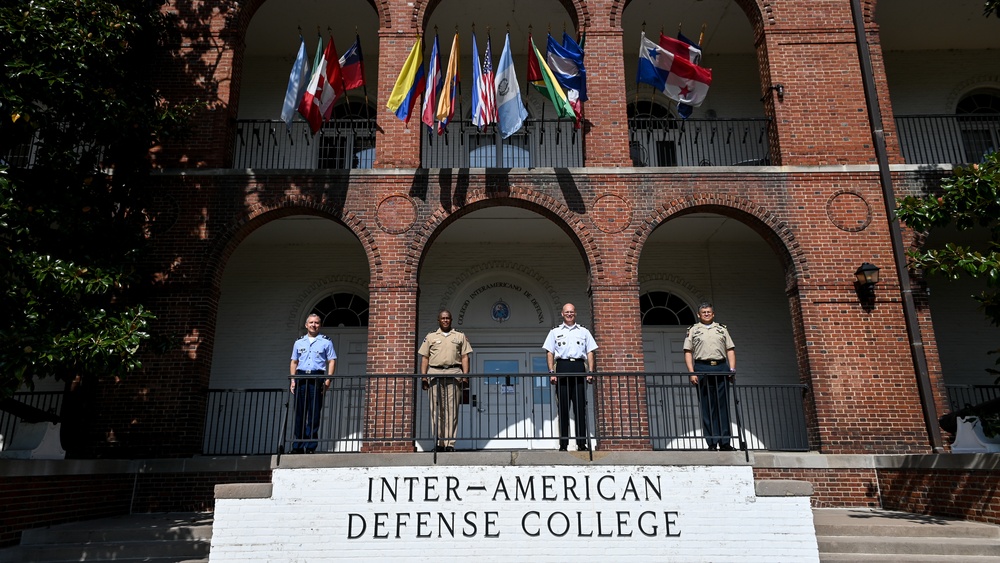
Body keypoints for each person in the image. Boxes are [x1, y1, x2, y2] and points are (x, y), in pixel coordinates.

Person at [543, 303, 598, 451]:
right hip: (562, 367)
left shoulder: (584, 332)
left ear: (575, 313)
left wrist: (590, 372)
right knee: (563, 409)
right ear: (562, 314)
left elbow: (590, 352)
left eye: (571, 312)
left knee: (580, 408)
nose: (569, 314)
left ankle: (581, 443)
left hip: (579, 367)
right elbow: (550, 353)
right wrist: (551, 372)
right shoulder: (554, 332)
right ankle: (563, 444)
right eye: (567, 312)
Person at [684, 303, 737, 451]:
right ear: (698, 314)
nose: (706, 314)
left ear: (713, 314)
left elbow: (730, 349)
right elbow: (688, 351)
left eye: (708, 312)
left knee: (723, 406)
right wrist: (692, 372)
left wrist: (732, 370)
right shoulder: (693, 330)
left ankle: (725, 442)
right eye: (703, 312)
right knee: (708, 406)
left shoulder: (722, 329)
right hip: (702, 367)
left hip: (721, 367)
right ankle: (712, 442)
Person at [418, 310, 472, 452]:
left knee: (452, 411)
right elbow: (425, 358)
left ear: (451, 320)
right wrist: (423, 377)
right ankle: (439, 442)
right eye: (443, 318)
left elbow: (465, 357)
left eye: (448, 318)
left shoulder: (459, 336)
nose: (445, 320)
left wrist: (465, 376)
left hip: (454, 373)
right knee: (436, 411)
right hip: (435, 373)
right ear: (438, 320)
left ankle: (449, 444)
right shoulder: (430, 337)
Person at [289, 314, 336, 454]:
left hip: (317, 377)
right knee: (300, 414)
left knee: (314, 414)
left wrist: (328, 380)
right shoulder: (299, 342)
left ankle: (310, 446)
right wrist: (293, 380)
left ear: (319, 325)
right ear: (306, 325)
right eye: (311, 322)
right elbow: (294, 362)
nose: (313, 325)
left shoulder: (326, 341)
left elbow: (332, 361)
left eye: (316, 323)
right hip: (301, 378)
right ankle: (297, 446)